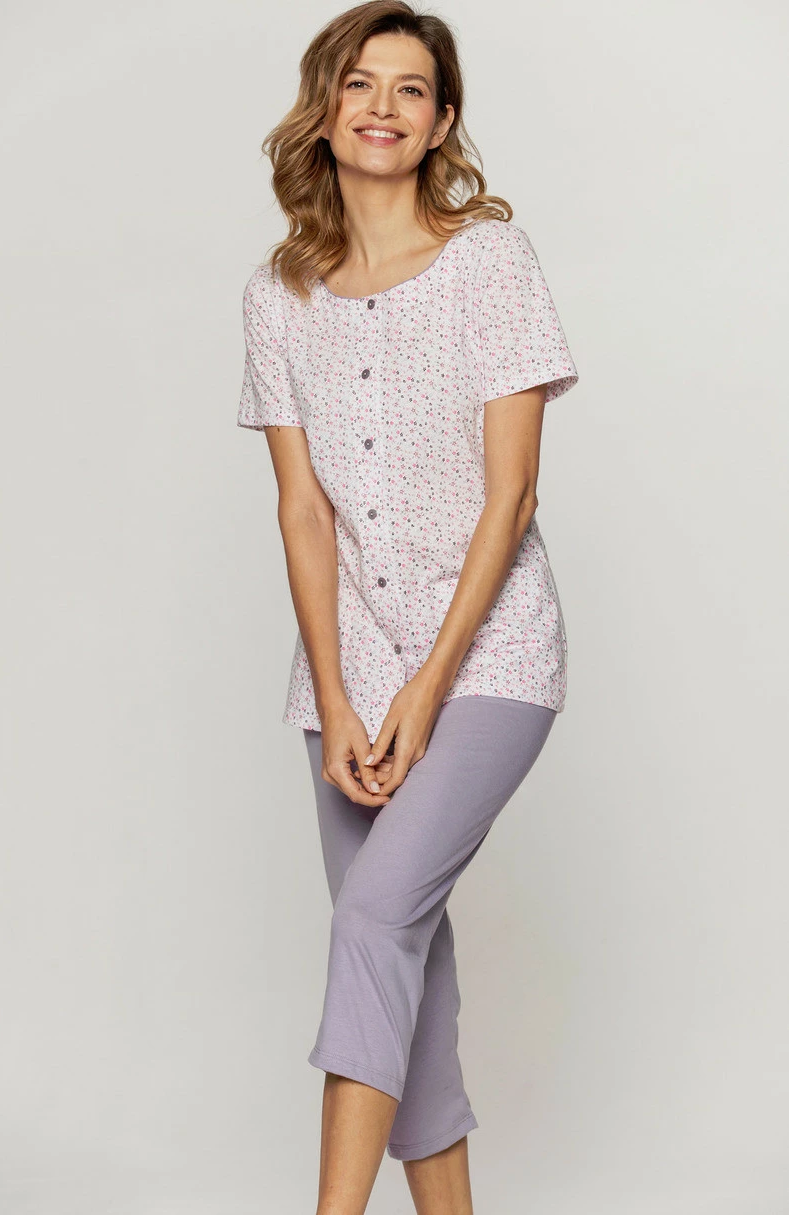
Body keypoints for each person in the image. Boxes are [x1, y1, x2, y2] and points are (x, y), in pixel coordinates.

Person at [236, 3, 579, 1211]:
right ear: (324, 108)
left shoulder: (492, 261)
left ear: (441, 124)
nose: (383, 106)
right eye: (360, 83)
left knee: (375, 921)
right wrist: (337, 699)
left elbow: (513, 492)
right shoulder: (277, 296)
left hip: (489, 657)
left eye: (412, 89)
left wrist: (429, 688)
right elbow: (303, 512)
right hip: (347, 672)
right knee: (403, 964)